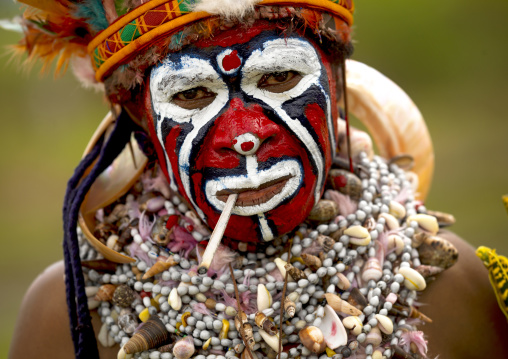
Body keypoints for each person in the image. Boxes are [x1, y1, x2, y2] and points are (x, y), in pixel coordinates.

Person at [8, 1, 508, 358]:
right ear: (140, 119)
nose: (244, 136)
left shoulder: (451, 285)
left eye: (278, 78)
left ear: (334, 82)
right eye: (190, 95)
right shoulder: (70, 312)